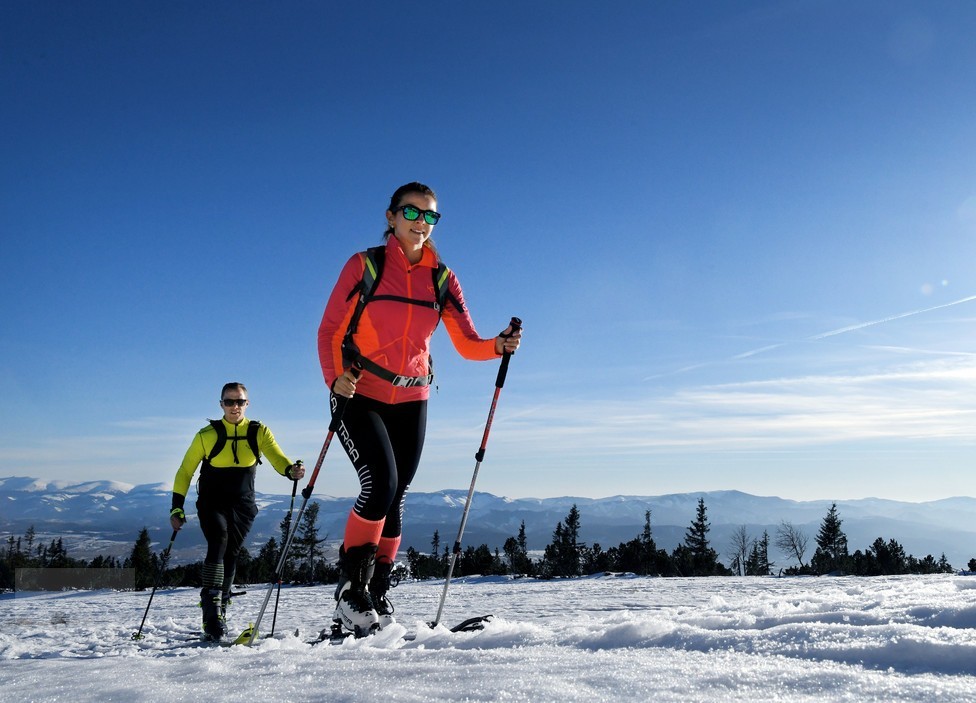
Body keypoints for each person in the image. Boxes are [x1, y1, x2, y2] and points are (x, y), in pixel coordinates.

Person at [317, 181, 521, 635]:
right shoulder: (364, 266)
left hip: (413, 396)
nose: (421, 223)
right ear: (391, 216)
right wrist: (336, 376)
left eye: (431, 216)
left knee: (398, 494)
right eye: (412, 213)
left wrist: (498, 346)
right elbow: (330, 329)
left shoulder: (443, 279)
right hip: (360, 391)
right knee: (380, 484)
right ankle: (350, 594)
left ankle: (378, 591)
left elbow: (468, 344)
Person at [169, 382, 305, 641]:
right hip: (211, 502)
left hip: (243, 505)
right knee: (219, 539)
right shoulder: (206, 435)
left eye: (239, 401)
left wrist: (291, 470)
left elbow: (278, 457)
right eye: (229, 401)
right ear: (221, 404)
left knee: (231, 553)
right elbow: (185, 471)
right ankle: (211, 613)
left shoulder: (258, 431)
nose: (234, 406)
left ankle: (221, 605)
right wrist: (177, 506)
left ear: (247, 404)